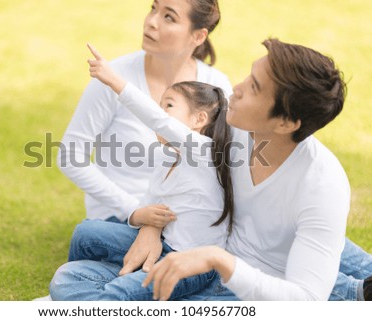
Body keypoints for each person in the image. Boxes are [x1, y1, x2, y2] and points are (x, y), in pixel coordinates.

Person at [136, 38, 372, 300]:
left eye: (254, 88)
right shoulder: (226, 122)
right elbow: (174, 171)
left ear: (285, 123)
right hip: (259, 241)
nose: (236, 89)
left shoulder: (322, 186)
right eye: (249, 77)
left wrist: (219, 259)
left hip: (273, 253)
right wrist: (151, 225)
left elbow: (306, 302)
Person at [49, 41, 236, 300]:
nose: (160, 112)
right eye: (159, 105)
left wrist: (115, 81)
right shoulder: (166, 155)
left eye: (168, 105)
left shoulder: (204, 150)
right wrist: (140, 217)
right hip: (163, 247)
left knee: (116, 292)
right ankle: (123, 285)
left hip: (192, 264)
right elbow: (149, 204)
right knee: (85, 234)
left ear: (198, 120)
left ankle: (118, 292)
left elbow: (154, 119)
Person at [57, 0, 232, 226]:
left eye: (169, 17)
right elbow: (70, 156)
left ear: (198, 36)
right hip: (118, 216)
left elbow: (225, 165)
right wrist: (134, 210)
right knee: (90, 236)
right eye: (153, 9)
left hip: (181, 219)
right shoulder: (113, 77)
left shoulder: (216, 86)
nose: (151, 22)